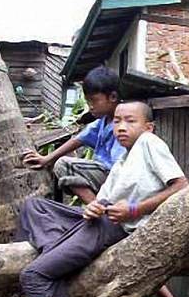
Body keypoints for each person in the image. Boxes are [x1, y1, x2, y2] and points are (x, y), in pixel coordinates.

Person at [18, 100, 188, 297]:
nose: (121, 126)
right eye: (117, 121)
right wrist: (95, 206)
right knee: (34, 207)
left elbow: (180, 186)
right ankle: (60, 253)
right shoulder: (123, 160)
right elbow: (104, 201)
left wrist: (135, 209)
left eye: (130, 121)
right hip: (103, 220)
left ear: (147, 126)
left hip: (116, 228)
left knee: (33, 275)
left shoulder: (150, 143)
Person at [22, 66, 126, 203]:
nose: (90, 106)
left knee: (63, 165)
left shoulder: (123, 123)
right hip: (105, 175)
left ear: (112, 97)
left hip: (117, 177)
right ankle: (98, 206)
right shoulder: (103, 121)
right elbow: (79, 139)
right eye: (88, 101)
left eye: (93, 100)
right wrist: (47, 159)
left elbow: (120, 167)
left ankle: (98, 209)